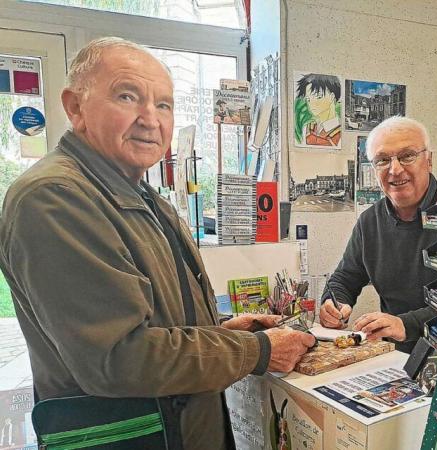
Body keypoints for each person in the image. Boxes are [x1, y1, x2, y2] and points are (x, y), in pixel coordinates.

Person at [0, 37, 315, 450]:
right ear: (75, 107)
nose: (151, 119)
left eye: (164, 104)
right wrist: (254, 350)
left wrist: (222, 331)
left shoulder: (140, 194)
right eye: (127, 96)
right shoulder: (56, 197)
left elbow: (153, 318)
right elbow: (117, 356)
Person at [319, 117, 437, 353]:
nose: (395, 169)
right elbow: (344, 278)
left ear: (429, 160)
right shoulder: (369, 222)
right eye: (383, 160)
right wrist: (334, 304)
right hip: (402, 359)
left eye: (407, 156)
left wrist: (407, 324)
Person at [293, 73, 341, 147]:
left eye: (318, 97)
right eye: (308, 99)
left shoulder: (340, 133)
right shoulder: (307, 128)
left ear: (332, 97)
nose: (312, 103)